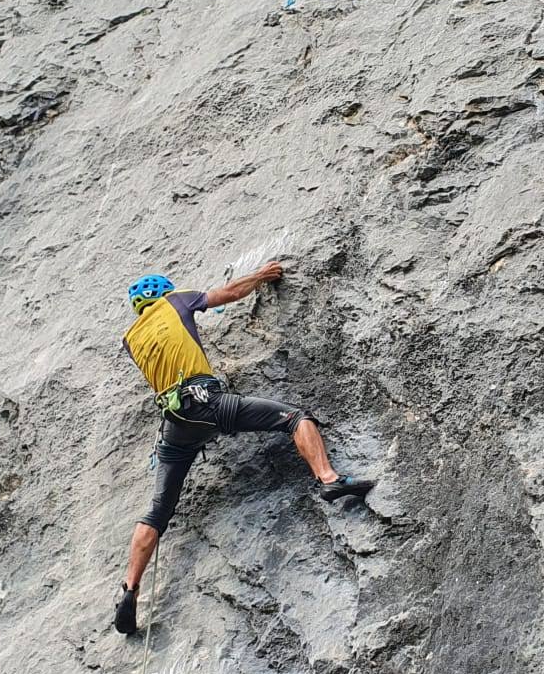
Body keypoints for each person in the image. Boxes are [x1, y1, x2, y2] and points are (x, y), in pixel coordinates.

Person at [113, 262, 373, 635]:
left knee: (158, 511)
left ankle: (129, 588)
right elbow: (229, 293)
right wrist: (261, 276)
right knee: (295, 417)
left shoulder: (132, 338)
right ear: (164, 293)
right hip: (209, 403)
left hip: (177, 425)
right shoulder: (176, 301)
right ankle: (329, 479)